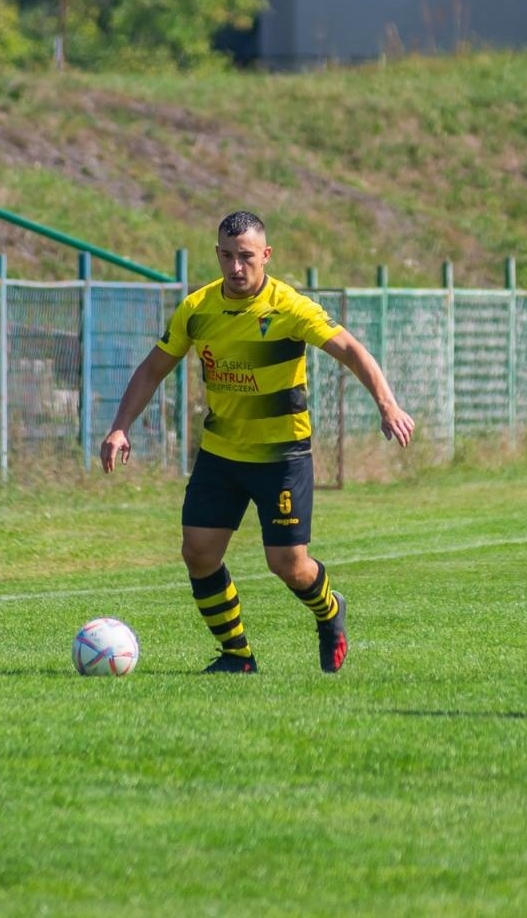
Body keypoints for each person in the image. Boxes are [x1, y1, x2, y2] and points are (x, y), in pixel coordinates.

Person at [100, 211, 415, 674]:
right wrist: (120, 426)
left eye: (246, 257)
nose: (236, 267)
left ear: (266, 255)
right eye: (227, 256)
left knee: (288, 564)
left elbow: (351, 350)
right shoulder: (197, 309)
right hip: (221, 453)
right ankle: (237, 656)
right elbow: (152, 369)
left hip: (281, 456)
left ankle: (330, 611)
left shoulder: (289, 307)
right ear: (217, 254)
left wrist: (387, 405)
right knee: (199, 553)